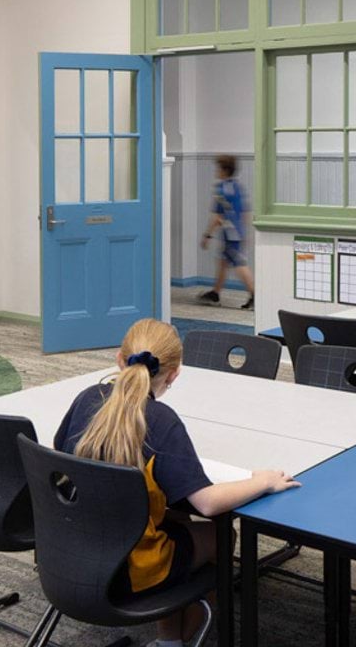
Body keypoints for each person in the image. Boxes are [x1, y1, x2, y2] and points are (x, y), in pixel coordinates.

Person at [55, 319, 299, 647]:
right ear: (174, 373)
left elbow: (60, 452)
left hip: (70, 552)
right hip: (128, 571)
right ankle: (173, 642)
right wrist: (262, 481)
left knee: (175, 518)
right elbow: (207, 502)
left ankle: (169, 638)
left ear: (118, 359)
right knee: (221, 533)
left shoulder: (88, 397)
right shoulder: (161, 422)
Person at [198, 155, 254, 311]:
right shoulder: (237, 187)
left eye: (218, 168)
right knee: (223, 262)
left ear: (224, 170)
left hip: (230, 234)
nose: (216, 171)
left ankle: (255, 295)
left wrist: (207, 236)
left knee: (239, 264)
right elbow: (245, 211)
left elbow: (217, 217)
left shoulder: (221, 190)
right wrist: (244, 232)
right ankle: (215, 293)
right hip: (237, 231)